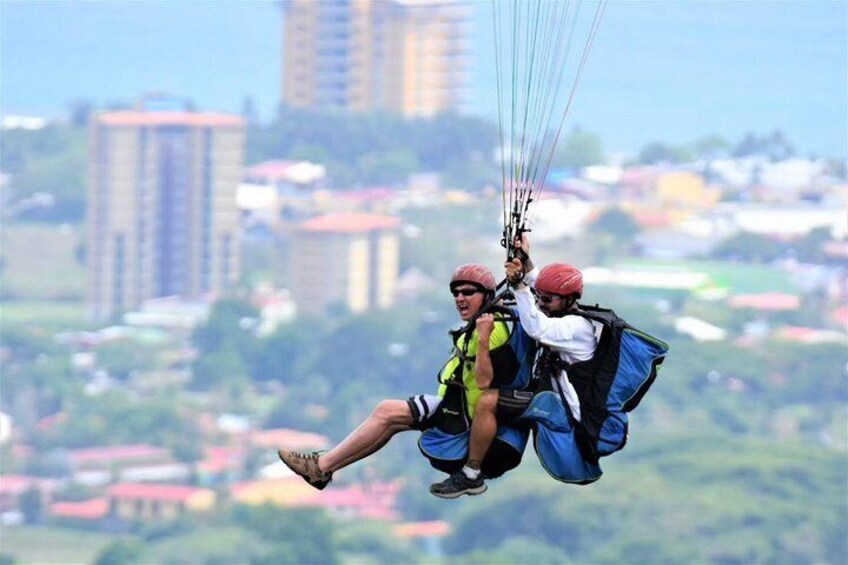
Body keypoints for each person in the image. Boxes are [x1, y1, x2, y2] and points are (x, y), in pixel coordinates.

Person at [278, 263, 513, 493]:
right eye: (456, 293)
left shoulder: (491, 330)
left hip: (463, 415)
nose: (460, 298)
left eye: (468, 292)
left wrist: (483, 339)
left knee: (387, 412)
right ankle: (323, 468)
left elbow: (484, 381)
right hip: (453, 406)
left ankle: (321, 467)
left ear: (487, 295)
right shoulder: (483, 324)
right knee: (388, 417)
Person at [430, 237, 600, 498]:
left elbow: (537, 327)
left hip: (563, 408)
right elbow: (539, 287)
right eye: (539, 297)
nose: (541, 302)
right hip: (546, 396)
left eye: (548, 300)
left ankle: (471, 474)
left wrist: (519, 285)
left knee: (488, 400)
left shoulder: (576, 328)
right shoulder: (558, 308)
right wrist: (524, 259)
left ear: (568, 299)